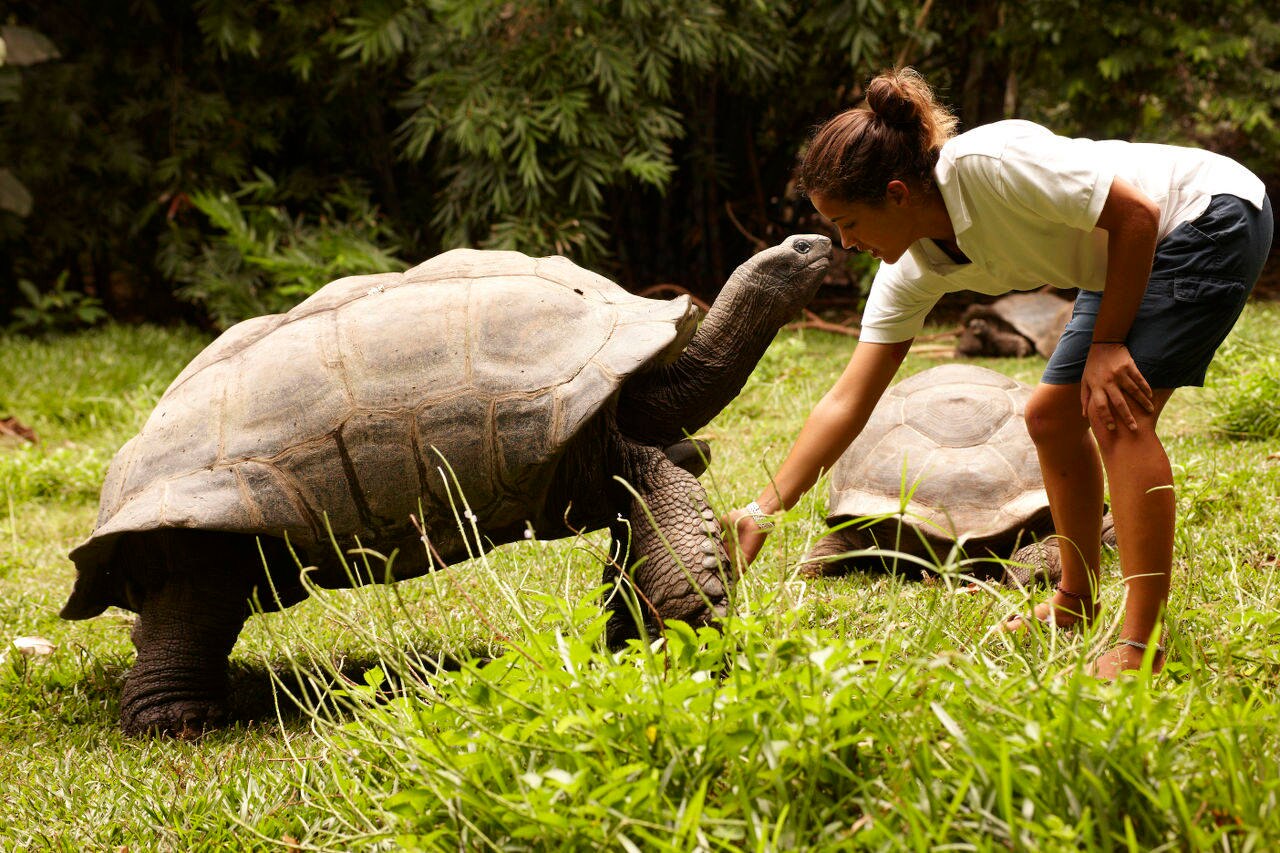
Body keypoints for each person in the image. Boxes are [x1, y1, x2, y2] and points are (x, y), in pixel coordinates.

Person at [725, 67, 1272, 678]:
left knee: (1115, 412)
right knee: (1050, 418)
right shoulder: (911, 271)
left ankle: (1141, 642)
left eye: (849, 223)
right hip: (1114, 253)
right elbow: (847, 401)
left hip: (1205, 213)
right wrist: (763, 508)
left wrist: (1110, 343)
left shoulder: (988, 164)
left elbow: (1137, 213)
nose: (847, 244)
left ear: (899, 194)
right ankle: (1076, 599)